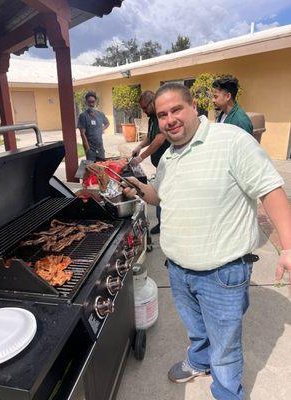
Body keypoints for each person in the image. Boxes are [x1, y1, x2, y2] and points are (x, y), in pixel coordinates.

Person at [123, 82, 291, 400]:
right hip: (178, 268)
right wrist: (140, 189)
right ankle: (199, 361)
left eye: (176, 110)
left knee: (225, 346)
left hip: (222, 273)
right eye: (162, 114)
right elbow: (162, 196)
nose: (169, 119)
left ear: (194, 108)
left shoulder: (231, 140)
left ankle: (227, 391)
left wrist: (288, 247)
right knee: (196, 328)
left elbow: (270, 190)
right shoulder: (170, 156)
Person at [131, 90, 170, 234]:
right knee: (160, 191)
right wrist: (139, 146)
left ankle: (163, 225)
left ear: (152, 102)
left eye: (145, 108)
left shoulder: (162, 116)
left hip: (167, 165)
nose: (144, 111)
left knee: (162, 194)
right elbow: (150, 136)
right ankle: (162, 223)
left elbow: (159, 140)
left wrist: (141, 157)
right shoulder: (152, 118)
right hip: (159, 165)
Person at [77, 91, 110, 161]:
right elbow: (82, 133)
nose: (91, 104)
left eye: (93, 102)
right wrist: (87, 148)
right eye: (89, 102)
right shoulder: (83, 116)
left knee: (102, 166)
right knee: (92, 168)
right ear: (86, 102)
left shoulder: (100, 114)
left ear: (95, 102)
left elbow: (107, 123)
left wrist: (102, 129)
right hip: (90, 148)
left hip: (100, 147)